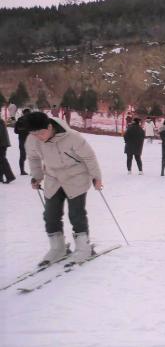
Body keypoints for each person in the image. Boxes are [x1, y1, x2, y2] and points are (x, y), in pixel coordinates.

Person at [25, 112, 103, 266]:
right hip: (53, 178)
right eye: (34, 134)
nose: (39, 137)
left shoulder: (72, 137)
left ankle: (83, 248)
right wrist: (37, 176)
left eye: (41, 132)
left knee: (76, 213)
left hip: (76, 177)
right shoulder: (32, 139)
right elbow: (33, 158)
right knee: (50, 214)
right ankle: (58, 248)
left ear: (49, 126)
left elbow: (89, 156)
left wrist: (96, 177)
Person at [14, 108, 31, 175]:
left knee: (22, 156)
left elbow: (15, 131)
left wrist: (22, 131)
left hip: (22, 140)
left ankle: (22, 170)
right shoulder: (32, 120)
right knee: (33, 156)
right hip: (31, 140)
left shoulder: (19, 120)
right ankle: (33, 171)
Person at [0, 117, 16, 184]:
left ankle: (10, 176)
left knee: (3, 161)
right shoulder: (1, 121)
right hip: (3, 143)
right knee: (2, 160)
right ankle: (1, 177)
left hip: (1, 144)